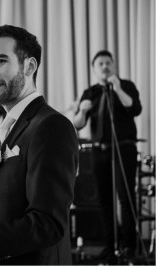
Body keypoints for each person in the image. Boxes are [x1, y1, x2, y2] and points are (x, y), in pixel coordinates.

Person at [0, 25, 78, 265]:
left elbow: (46, 224)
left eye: (0, 61)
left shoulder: (51, 126)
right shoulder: (13, 128)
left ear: (29, 66)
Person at [72, 50, 142, 258]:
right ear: (94, 69)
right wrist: (82, 111)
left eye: (108, 62)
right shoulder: (90, 92)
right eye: (100, 63)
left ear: (114, 65)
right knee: (104, 199)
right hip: (99, 151)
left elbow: (135, 109)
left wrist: (118, 89)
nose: (104, 66)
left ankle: (129, 246)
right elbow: (77, 124)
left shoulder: (126, 86)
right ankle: (110, 246)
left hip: (124, 149)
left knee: (125, 197)